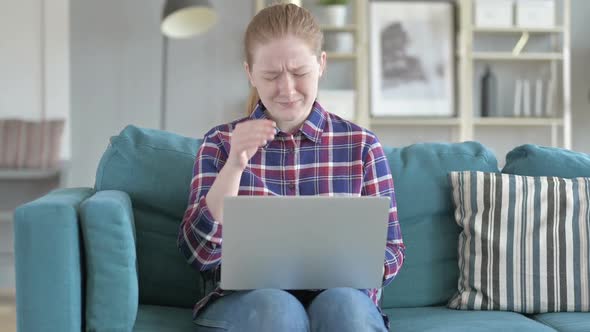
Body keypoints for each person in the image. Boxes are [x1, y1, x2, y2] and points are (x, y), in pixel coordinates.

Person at [178, 3, 405, 331]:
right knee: (278, 310)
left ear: (321, 64)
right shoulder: (220, 143)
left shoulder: (363, 146)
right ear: (250, 73)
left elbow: (393, 249)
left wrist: (356, 267)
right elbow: (197, 254)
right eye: (270, 76)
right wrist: (234, 166)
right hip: (248, 300)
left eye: (299, 73)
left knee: (344, 307)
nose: (286, 89)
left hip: (343, 296)